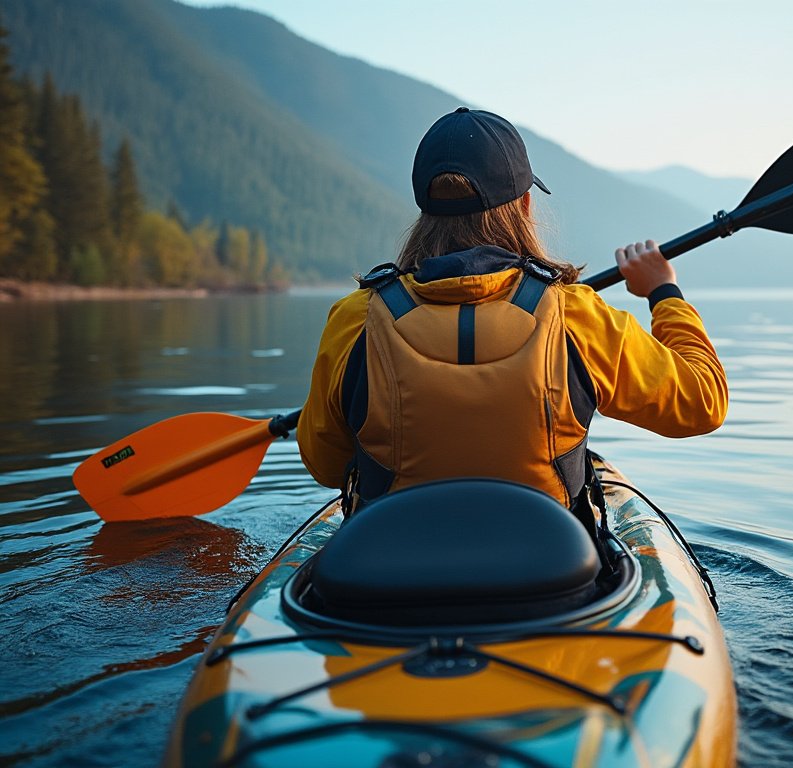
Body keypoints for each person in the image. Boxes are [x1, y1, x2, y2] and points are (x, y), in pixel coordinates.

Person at [297, 107, 727, 517]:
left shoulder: (357, 318)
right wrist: (663, 292)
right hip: (554, 579)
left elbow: (326, 466)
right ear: (524, 206)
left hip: (390, 575)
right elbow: (703, 402)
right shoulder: (574, 314)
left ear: (425, 211)